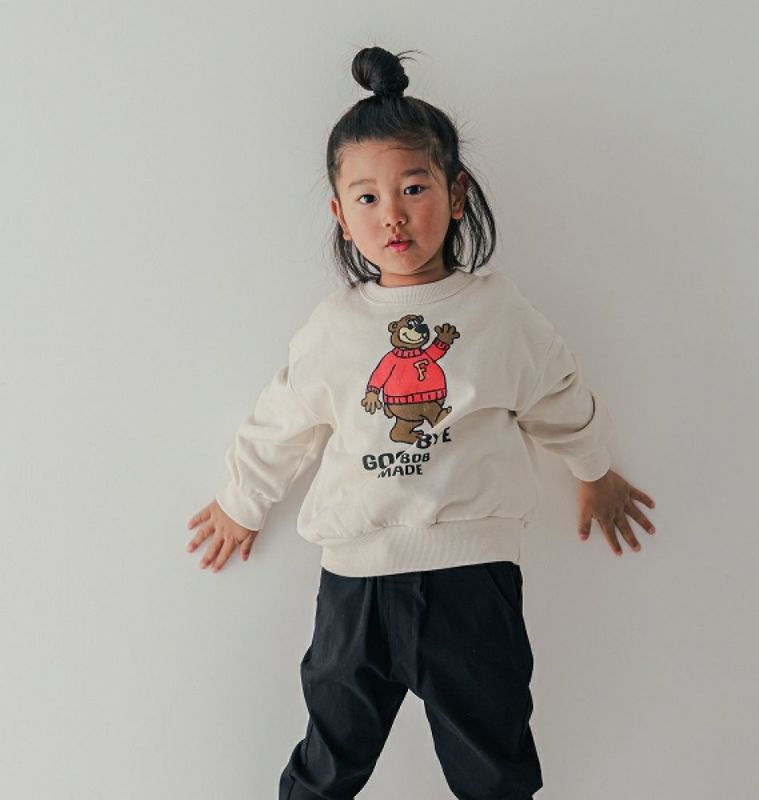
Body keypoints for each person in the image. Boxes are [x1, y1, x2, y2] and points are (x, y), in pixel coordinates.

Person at [186, 45, 657, 800]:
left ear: (456, 192)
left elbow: (558, 392)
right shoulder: (336, 327)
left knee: (493, 764)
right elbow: (283, 420)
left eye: (413, 187)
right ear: (340, 216)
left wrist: (594, 469)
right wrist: (242, 501)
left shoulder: (496, 312)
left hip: (472, 581)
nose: (393, 214)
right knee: (329, 759)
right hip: (357, 585)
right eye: (367, 197)